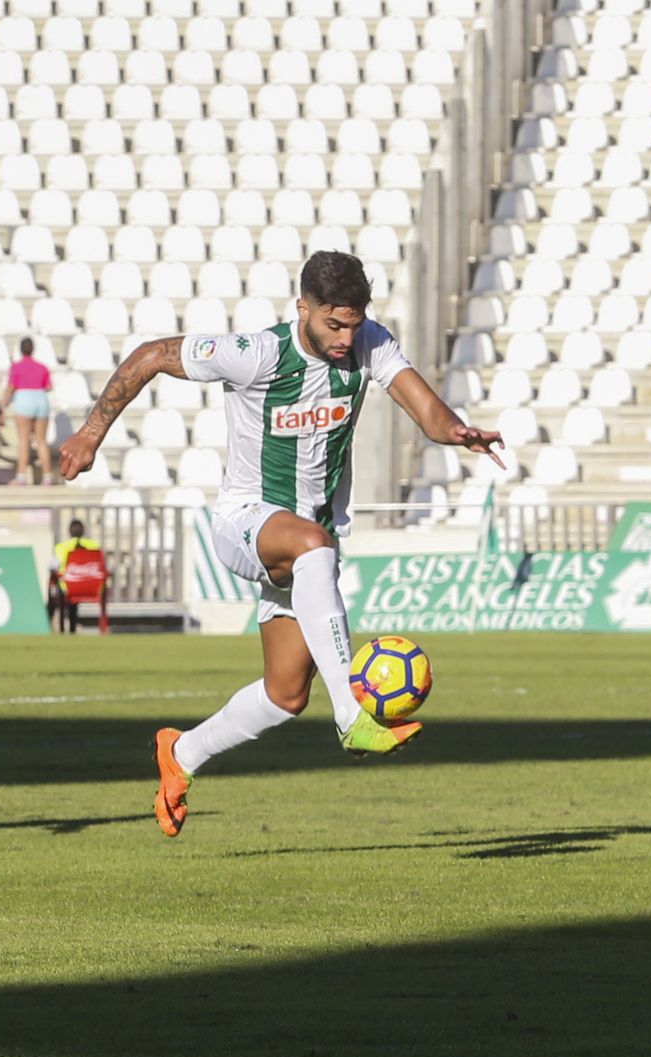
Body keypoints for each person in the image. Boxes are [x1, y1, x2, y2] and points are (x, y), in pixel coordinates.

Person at [57, 251, 506, 837]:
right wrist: (91, 433)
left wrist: (456, 431)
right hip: (247, 522)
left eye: (353, 323)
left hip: (304, 548)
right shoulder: (256, 354)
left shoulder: (369, 342)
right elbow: (150, 357)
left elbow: (424, 408)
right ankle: (352, 714)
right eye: (333, 325)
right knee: (314, 544)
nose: (346, 337)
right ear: (304, 309)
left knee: (285, 694)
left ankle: (181, 754)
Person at [0, 336, 54, 485]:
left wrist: (2, 404)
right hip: (41, 400)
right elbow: (49, 387)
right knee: (41, 441)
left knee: (23, 440)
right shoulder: (42, 367)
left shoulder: (16, 367)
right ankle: (47, 475)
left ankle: (22, 476)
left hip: (24, 401)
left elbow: (11, 387)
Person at [49, 518, 101, 632]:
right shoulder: (94, 545)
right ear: (84, 531)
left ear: (69, 531)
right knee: (75, 587)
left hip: (67, 587)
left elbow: (53, 567)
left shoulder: (61, 547)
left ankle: (60, 627)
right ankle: (73, 627)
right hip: (92, 587)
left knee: (57, 585)